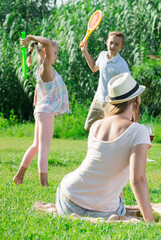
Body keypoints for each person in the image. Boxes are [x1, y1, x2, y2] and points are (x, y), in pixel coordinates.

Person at [55, 73, 154, 222]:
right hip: (99, 212)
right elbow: (137, 179)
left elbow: (106, 164)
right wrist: (150, 221)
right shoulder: (139, 131)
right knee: (119, 210)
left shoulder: (96, 125)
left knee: (119, 204)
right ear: (135, 100)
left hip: (67, 199)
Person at [13, 35, 70, 187]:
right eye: (55, 53)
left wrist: (36, 108)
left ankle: (19, 176)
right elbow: (45, 42)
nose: (56, 57)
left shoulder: (41, 68)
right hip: (45, 112)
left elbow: (38, 93)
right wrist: (30, 37)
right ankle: (43, 183)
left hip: (40, 111)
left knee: (36, 146)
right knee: (44, 147)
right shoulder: (46, 66)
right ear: (46, 51)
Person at [81, 31, 130, 131]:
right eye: (111, 42)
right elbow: (94, 68)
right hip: (98, 99)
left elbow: (127, 84)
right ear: (107, 42)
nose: (113, 46)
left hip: (111, 103)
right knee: (88, 127)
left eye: (116, 44)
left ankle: (104, 144)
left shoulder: (122, 65)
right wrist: (85, 51)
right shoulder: (102, 55)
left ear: (121, 47)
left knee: (109, 131)